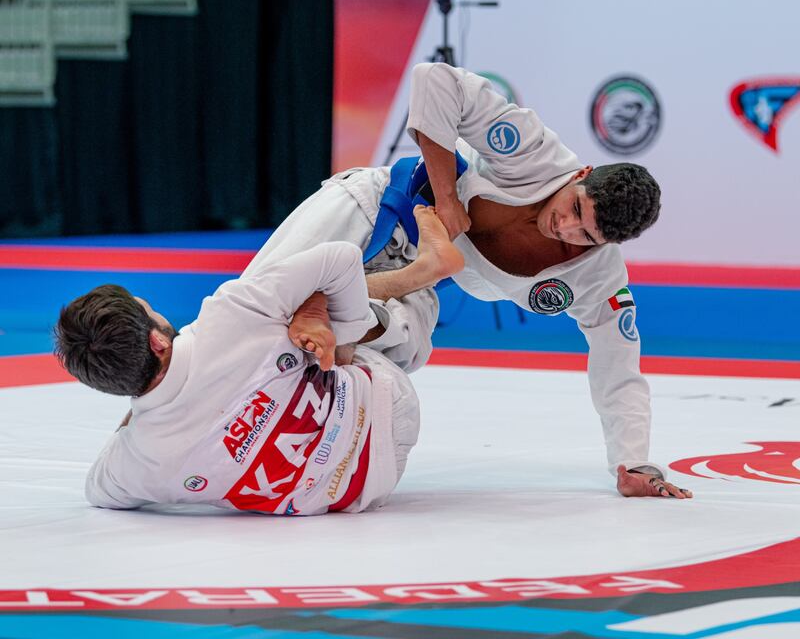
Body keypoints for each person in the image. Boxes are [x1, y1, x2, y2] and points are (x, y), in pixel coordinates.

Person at [246, 62, 691, 499]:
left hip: (420, 274)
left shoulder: (598, 278)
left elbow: (619, 368)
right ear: (581, 175)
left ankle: (319, 373)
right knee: (257, 304)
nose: (566, 229)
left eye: (587, 236)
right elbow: (434, 80)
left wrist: (634, 461)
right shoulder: (535, 151)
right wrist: (446, 199)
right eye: (576, 209)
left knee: (408, 345)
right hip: (379, 208)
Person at [54, 206, 464, 515]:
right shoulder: (228, 314)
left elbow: (98, 489)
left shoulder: (136, 462)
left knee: (296, 315)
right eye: (149, 310)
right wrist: (342, 344)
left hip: (361, 488)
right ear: (158, 341)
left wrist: (138, 407)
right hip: (381, 400)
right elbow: (339, 258)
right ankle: (416, 278)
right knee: (292, 297)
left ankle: (400, 291)